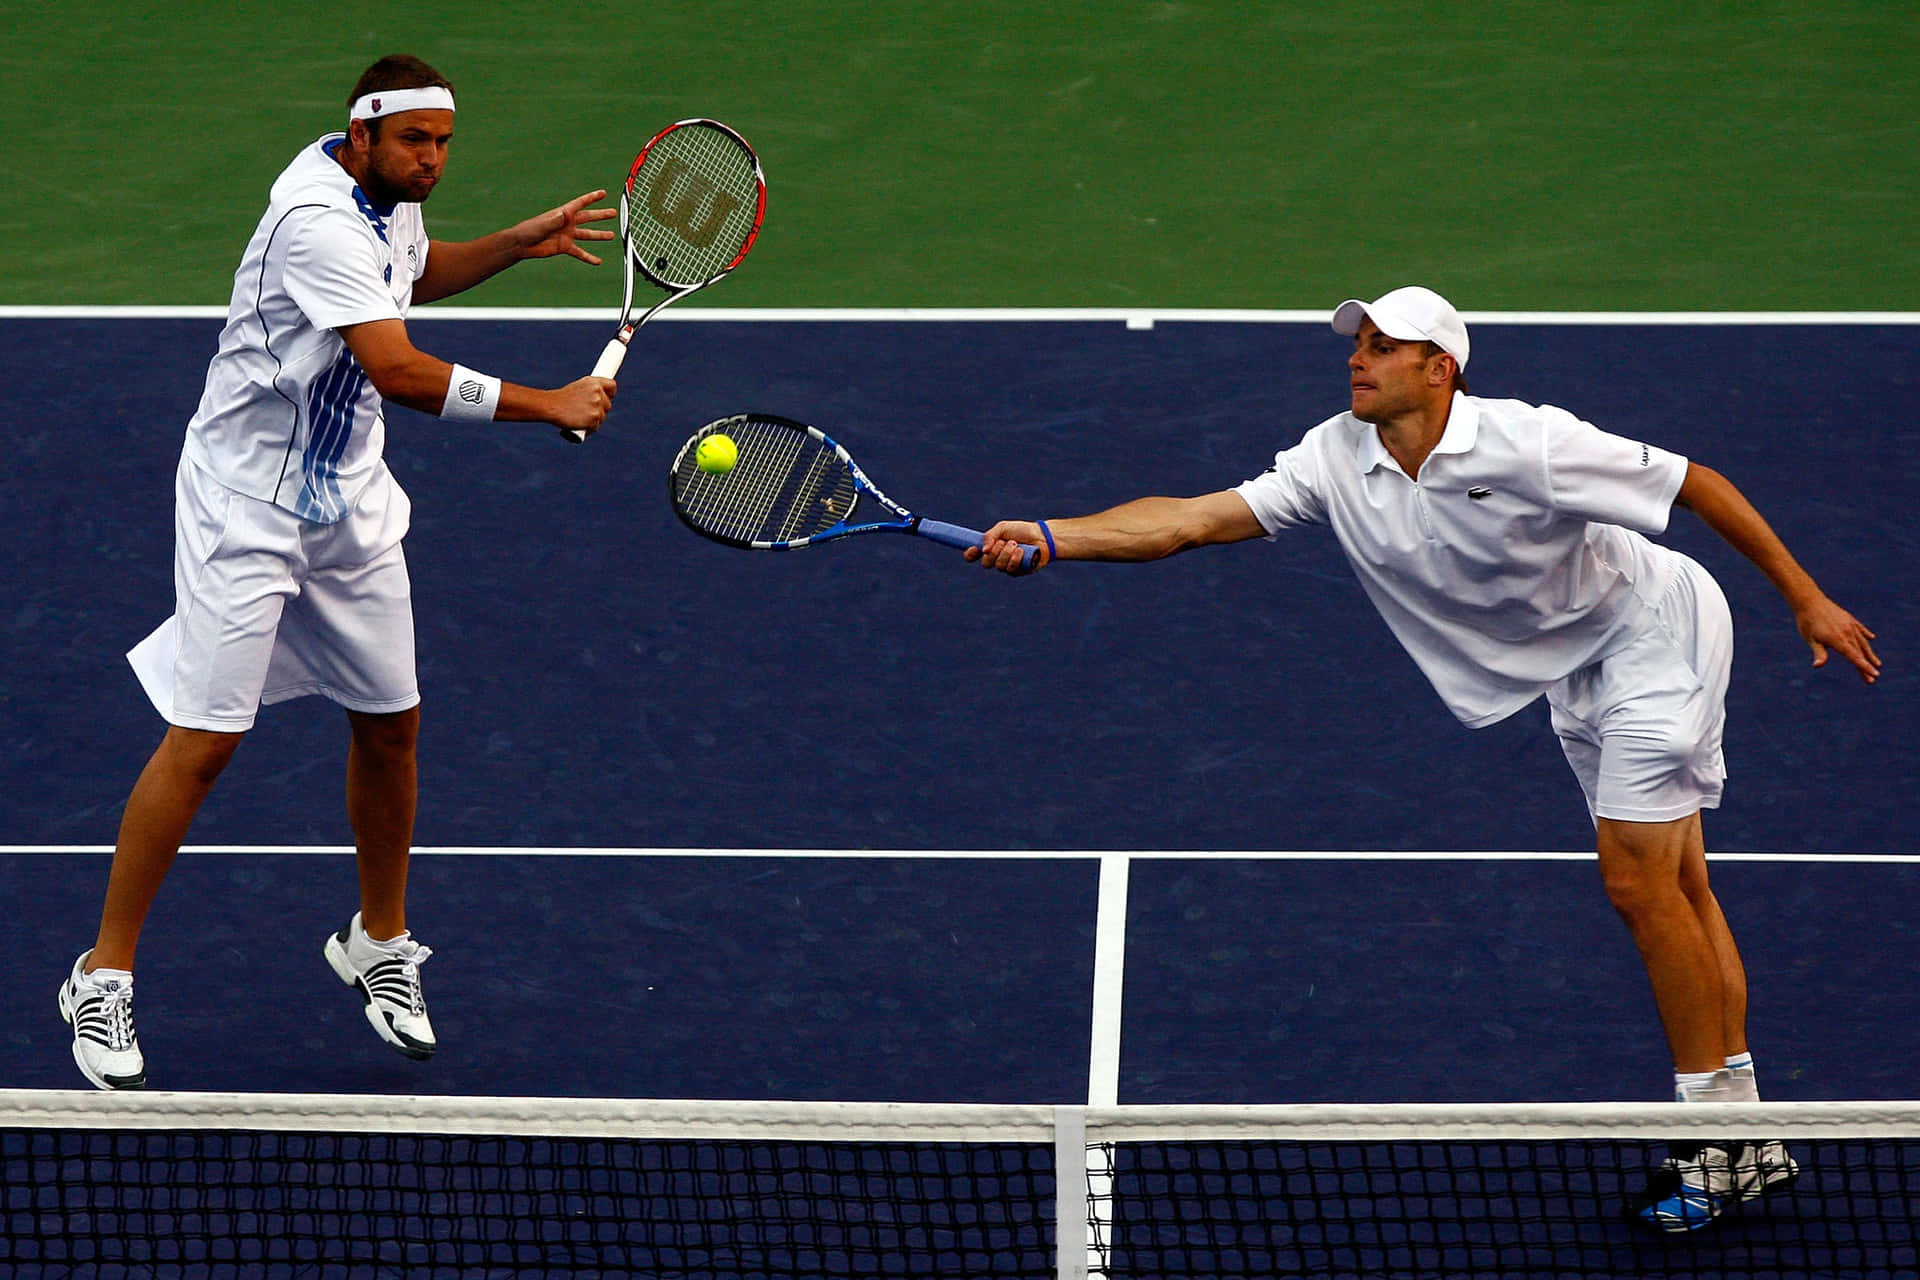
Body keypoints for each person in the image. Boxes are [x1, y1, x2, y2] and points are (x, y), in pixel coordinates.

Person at [968, 285, 1881, 1231]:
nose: (1357, 358)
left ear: (1440, 368)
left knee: (1640, 886)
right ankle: (1750, 1136)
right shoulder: (1335, 455)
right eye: (1356, 343)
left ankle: (1716, 1138)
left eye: (1382, 346)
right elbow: (1198, 518)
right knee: (1679, 884)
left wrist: (1804, 597)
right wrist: (1056, 537)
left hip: (1655, 638)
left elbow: (1695, 482)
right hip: (1571, 667)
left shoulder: (1526, 440)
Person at [58, 54, 618, 1091]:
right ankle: (102, 972)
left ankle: (378, 939)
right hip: (248, 507)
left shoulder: (382, 198)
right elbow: (400, 371)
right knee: (208, 739)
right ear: (359, 133)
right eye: (416, 142)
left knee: (392, 721)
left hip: (349, 505)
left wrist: (515, 246)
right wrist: (553, 404)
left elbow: (411, 271)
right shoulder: (316, 217)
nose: (434, 161)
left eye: (445, 143)